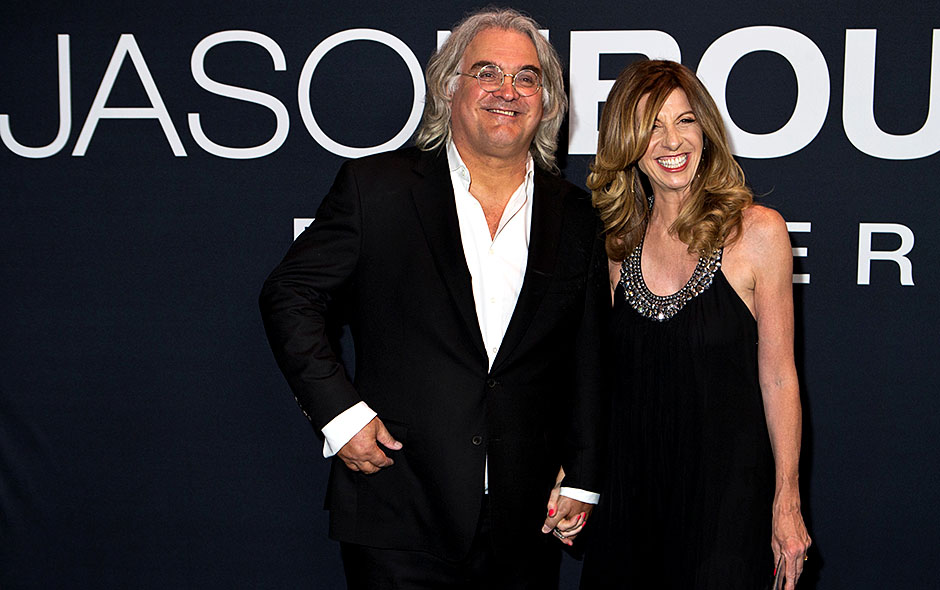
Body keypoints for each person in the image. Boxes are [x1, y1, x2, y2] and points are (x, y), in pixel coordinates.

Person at [259, 8, 607, 589]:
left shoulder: (578, 216)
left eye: (527, 78)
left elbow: (590, 356)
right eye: (487, 72)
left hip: (527, 523)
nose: (507, 91)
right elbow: (290, 294)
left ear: (546, 102)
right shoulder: (377, 189)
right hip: (399, 510)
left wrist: (584, 475)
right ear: (449, 87)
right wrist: (340, 416)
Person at [579, 60, 811, 590]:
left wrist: (787, 500)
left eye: (685, 120)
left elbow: (779, 377)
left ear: (705, 130)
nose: (671, 141)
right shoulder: (616, 245)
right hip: (630, 504)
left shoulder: (758, 233)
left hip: (726, 509)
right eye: (652, 126)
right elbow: (602, 385)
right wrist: (577, 476)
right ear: (627, 143)